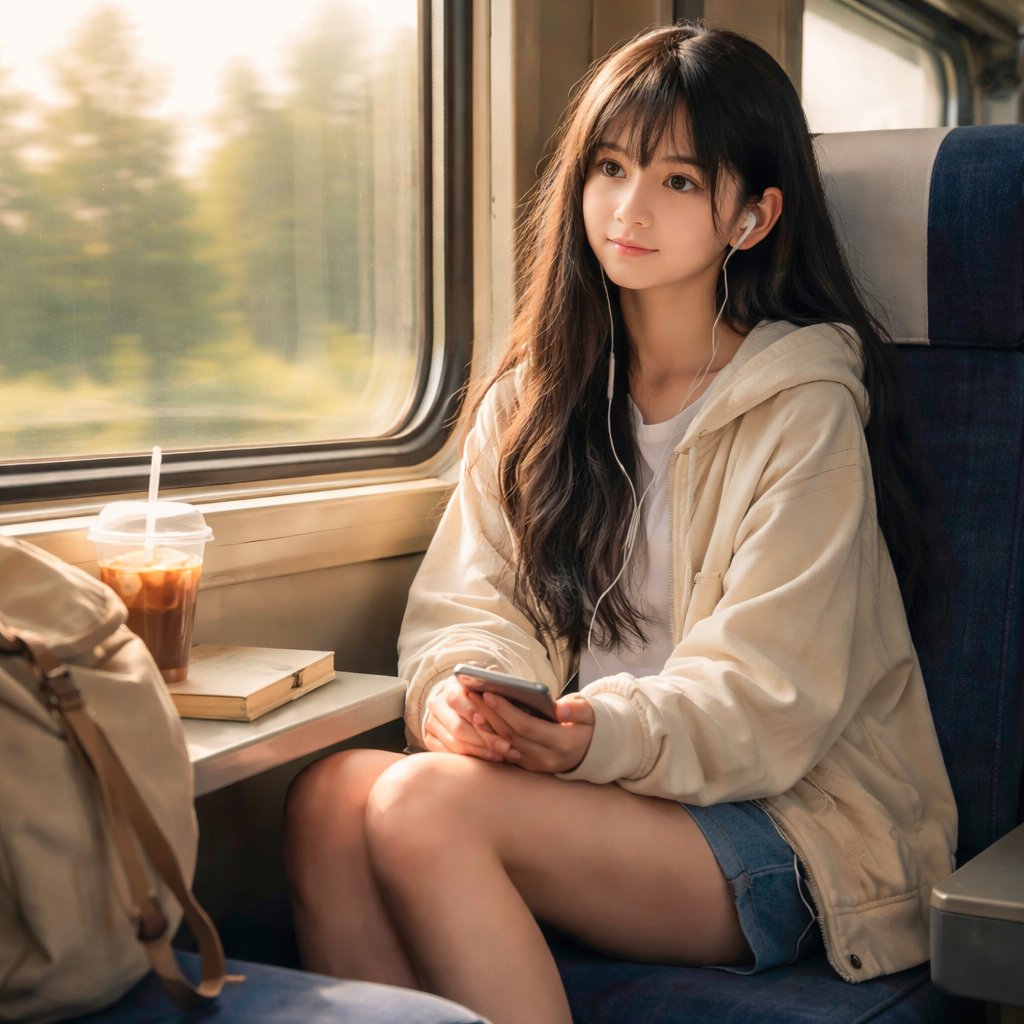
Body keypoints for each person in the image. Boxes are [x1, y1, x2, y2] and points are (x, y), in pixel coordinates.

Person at [284, 22, 957, 1024]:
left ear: (753, 215)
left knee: (422, 803)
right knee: (330, 798)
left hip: (784, 819)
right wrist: (459, 702)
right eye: (608, 167)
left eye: (678, 181)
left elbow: (767, 697)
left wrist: (592, 733)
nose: (628, 207)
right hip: (610, 785)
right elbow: (467, 603)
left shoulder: (800, 409)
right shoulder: (534, 400)